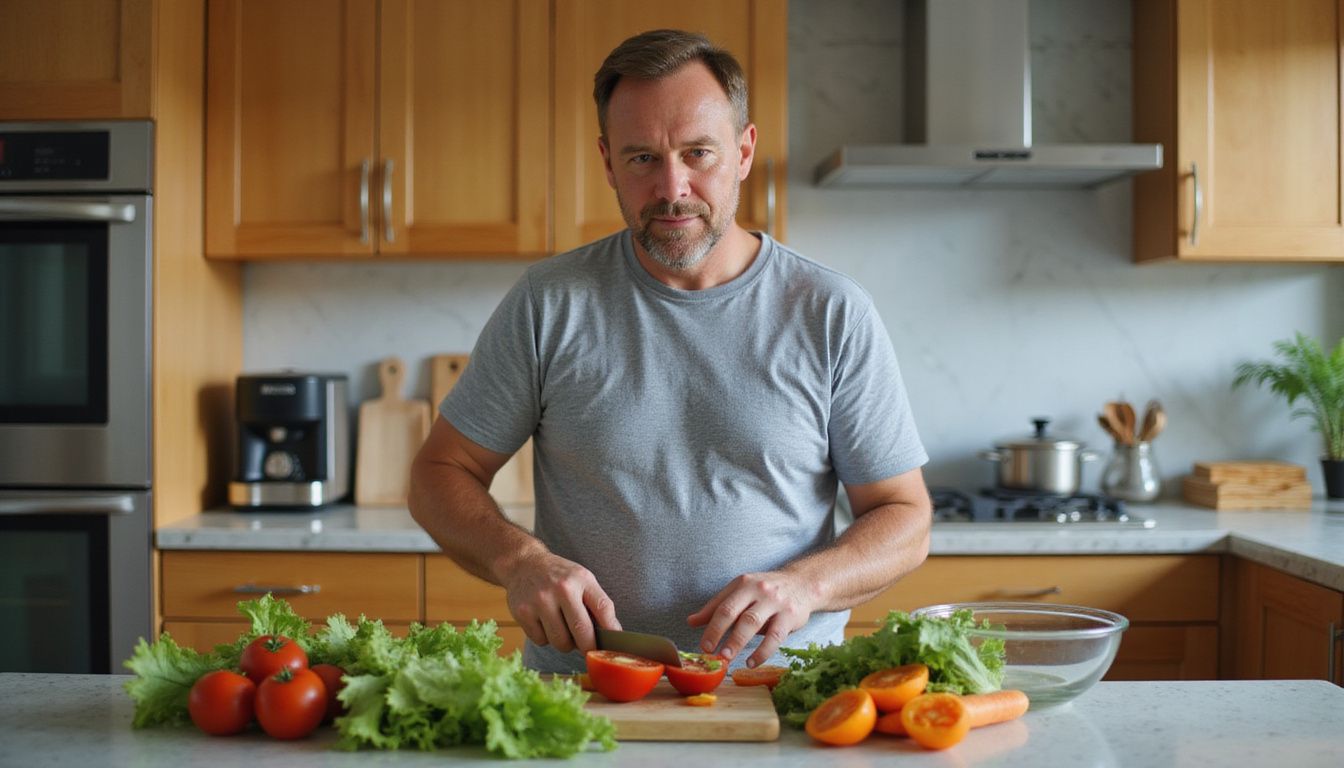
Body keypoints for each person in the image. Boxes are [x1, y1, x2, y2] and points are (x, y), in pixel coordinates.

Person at [409, 29, 931, 674]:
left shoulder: (830, 312)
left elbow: (904, 514)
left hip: (778, 698)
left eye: (698, 153)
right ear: (607, 164)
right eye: (641, 159)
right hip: (584, 696)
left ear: (743, 152)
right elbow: (439, 473)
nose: (671, 187)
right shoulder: (550, 302)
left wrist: (808, 585)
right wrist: (522, 562)